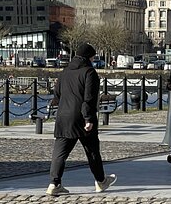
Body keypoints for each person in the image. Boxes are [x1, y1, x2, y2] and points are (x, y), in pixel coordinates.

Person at [46, 43, 117, 196]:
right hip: (81, 117)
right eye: (92, 57)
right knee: (92, 151)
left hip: (63, 117)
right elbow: (89, 99)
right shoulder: (89, 72)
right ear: (89, 57)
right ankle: (100, 181)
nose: (93, 59)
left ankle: (54, 183)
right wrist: (89, 118)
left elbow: (57, 96)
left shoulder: (64, 72)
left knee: (59, 153)